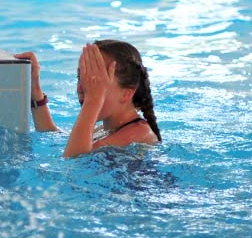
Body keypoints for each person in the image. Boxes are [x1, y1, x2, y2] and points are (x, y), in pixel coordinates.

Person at [14, 40, 161, 158]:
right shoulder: (106, 129)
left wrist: (93, 98)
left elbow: (75, 160)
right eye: (81, 78)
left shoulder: (139, 133)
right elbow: (55, 138)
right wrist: (35, 91)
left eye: (94, 81)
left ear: (126, 93)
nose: (81, 88)